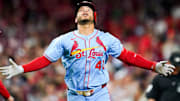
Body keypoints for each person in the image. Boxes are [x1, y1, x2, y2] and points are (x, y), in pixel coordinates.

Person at [0, 0, 175, 101]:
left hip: (99, 93)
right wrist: (22, 68)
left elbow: (128, 57)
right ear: (75, 18)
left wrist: (153, 66)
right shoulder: (64, 40)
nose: (84, 12)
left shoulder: (106, 38)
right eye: (81, 11)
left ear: (94, 17)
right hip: (75, 95)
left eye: (88, 10)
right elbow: (46, 59)